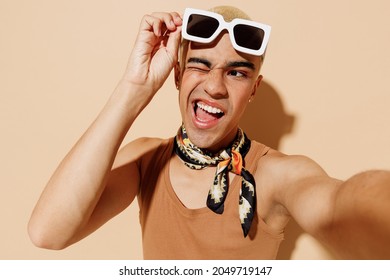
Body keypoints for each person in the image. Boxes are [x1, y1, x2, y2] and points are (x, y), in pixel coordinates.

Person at [28, 6, 390, 259]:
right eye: (200, 65)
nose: (215, 87)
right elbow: (48, 233)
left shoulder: (275, 174)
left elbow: (339, 206)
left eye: (236, 72)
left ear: (253, 90)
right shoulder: (145, 160)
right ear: (177, 75)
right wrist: (134, 89)